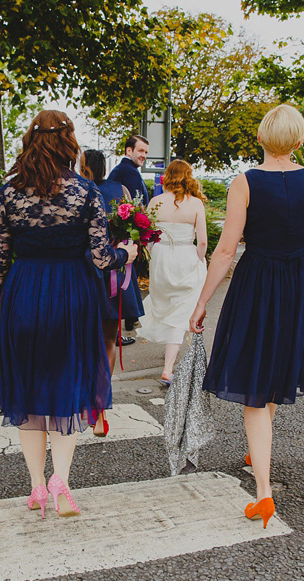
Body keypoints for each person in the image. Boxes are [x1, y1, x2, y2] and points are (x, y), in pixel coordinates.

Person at [189, 104, 304, 527]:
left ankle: (263, 491)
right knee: (275, 370)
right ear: (300, 141)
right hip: (295, 284)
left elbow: (226, 250)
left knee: (253, 381)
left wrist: (202, 302)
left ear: (262, 139)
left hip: (256, 282)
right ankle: (258, 448)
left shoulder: (244, 183)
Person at [0, 110, 137, 518]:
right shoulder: (86, 192)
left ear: (30, 142)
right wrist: (127, 253)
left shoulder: (9, 194)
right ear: (68, 143)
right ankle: (60, 480)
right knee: (67, 386)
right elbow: (102, 259)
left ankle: (35, 487)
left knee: (28, 392)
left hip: (24, 294)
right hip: (72, 297)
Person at [136, 159, 208, 385]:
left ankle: (169, 359)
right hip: (186, 257)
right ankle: (168, 368)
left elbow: (145, 236)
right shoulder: (196, 204)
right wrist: (199, 261)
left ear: (167, 177)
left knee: (164, 302)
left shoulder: (156, 201)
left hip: (161, 258)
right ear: (188, 177)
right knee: (181, 310)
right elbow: (203, 242)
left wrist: (152, 256)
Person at [80, 149, 132, 436]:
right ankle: (100, 405)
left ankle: (86, 400)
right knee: (109, 340)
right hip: (114, 268)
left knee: (85, 339)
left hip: (84, 270)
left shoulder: (79, 190)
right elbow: (133, 230)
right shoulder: (120, 190)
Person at [106, 134, 150, 344]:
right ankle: (120, 326)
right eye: (140, 151)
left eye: (145, 152)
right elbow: (135, 206)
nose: (143, 155)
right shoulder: (128, 172)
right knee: (122, 280)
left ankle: (129, 319)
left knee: (123, 280)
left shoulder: (125, 170)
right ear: (128, 151)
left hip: (122, 233)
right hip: (125, 235)